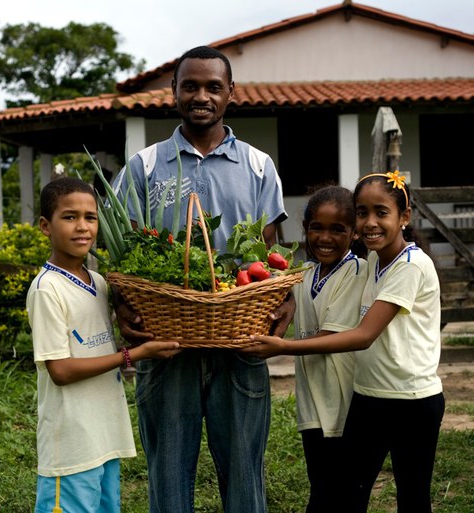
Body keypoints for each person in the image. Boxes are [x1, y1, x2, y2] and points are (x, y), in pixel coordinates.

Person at [111, 46, 290, 513]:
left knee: (245, 474)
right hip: (167, 341)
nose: (201, 96)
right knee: (168, 476)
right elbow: (123, 255)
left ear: (231, 93)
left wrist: (282, 299)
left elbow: (268, 256)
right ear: (173, 92)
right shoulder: (144, 166)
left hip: (240, 338)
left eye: (213, 86)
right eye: (190, 85)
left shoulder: (257, 165)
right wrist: (123, 306)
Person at [243, 171, 445, 513]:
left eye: (381, 212)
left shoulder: (409, 266)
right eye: (363, 212)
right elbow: (290, 289)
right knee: (345, 495)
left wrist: (284, 349)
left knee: (412, 498)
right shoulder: (372, 264)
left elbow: (364, 336)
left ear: (404, 217)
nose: (370, 222)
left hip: (411, 401)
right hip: (368, 397)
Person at [26, 177, 179, 513]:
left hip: (104, 437)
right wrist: (133, 355)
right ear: (45, 226)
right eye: (69, 217)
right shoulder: (46, 290)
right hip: (71, 447)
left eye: (90, 217)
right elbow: (61, 370)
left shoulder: (97, 282)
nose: (82, 227)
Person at [292, 185, 368, 512]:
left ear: (354, 234)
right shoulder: (303, 274)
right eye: (316, 228)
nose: (325, 237)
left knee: (343, 494)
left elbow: (325, 338)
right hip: (312, 403)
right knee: (320, 484)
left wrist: (278, 348)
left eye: (338, 229)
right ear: (305, 230)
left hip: (346, 404)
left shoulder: (356, 272)